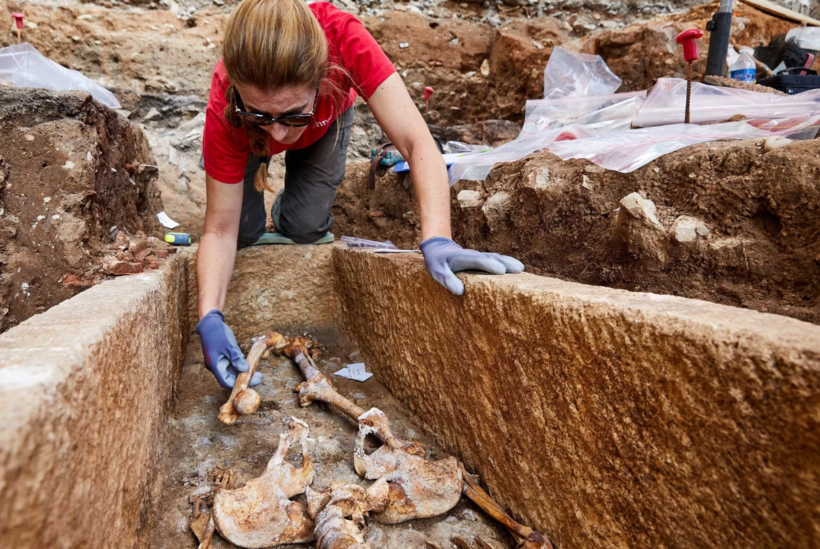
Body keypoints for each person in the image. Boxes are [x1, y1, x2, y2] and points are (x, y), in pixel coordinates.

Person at [196, 0, 524, 389]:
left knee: (305, 227)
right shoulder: (228, 106)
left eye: (293, 115)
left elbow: (418, 142)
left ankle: (288, 206)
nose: (279, 135)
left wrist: (437, 237)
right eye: (264, 115)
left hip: (326, 123)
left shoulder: (345, 39)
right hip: (241, 135)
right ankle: (265, 143)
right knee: (243, 233)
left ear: (323, 74)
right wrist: (210, 316)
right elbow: (219, 230)